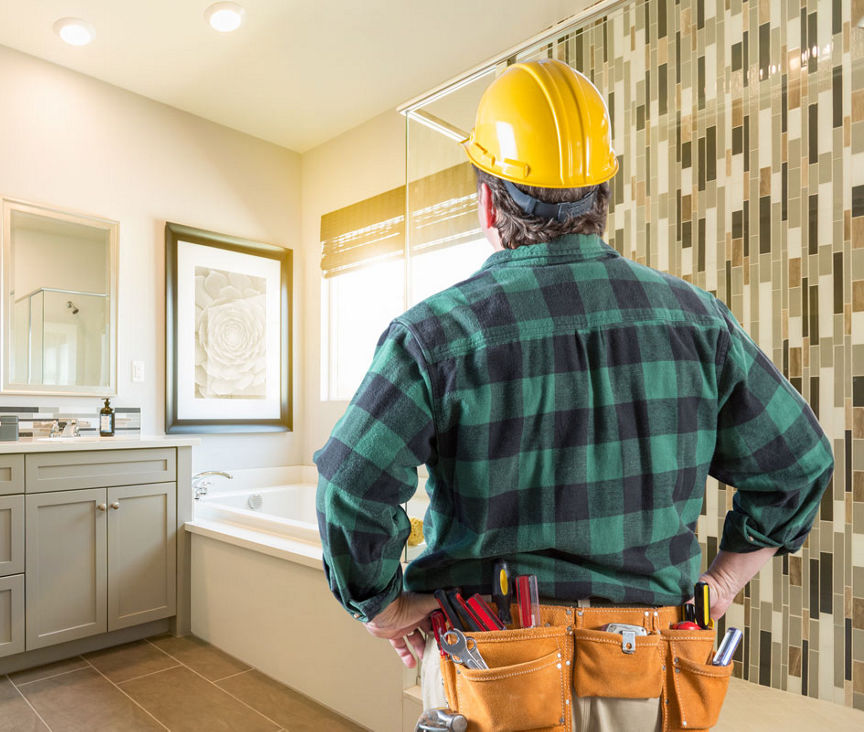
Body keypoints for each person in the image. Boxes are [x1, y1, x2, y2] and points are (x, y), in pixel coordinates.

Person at [314, 59, 832, 730]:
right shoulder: (696, 321)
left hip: (492, 667)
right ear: (602, 199)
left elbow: (351, 488)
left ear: (487, 200)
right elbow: (800, 465)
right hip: (648, 670)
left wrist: (383, 606)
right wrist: (725, 581)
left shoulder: (434, 335)